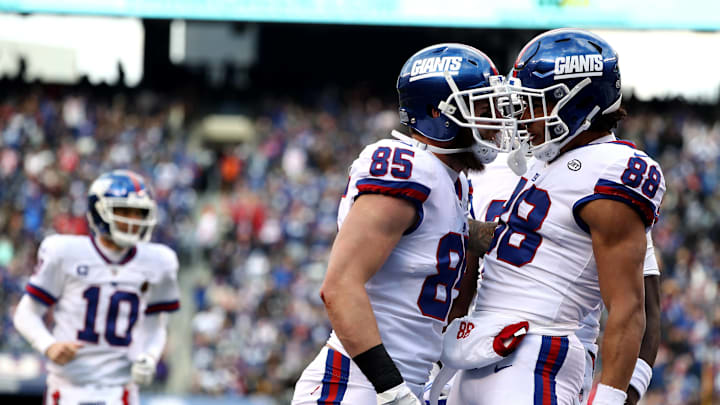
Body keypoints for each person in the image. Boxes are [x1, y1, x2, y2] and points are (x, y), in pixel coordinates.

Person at [439, 29, 666, 405]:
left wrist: (612, 398)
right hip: (482, 347)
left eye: (533, 103)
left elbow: (630, 307)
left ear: (574, 104)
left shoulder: (612, 169)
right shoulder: (543, 164)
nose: (522, 117)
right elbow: (510, 241)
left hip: (539, 350)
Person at [291, 43, 516, 404]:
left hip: (401, 379)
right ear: (435, 112)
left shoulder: (450, 180)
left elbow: (446, 235)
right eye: (482, 109)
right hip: (358, 386)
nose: (493, 124)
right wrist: (392, 390)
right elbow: (339, 286)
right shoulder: (406, 166)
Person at [464, 155, 661, 405]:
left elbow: (643, 311)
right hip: (473, 350)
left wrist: (622, 396)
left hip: (556, 357)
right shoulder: (482, 167)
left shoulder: (606, 177)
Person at [13, 170, 181, 405]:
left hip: (120, 391)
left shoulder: (160, 262)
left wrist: (150, 357)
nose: (132, 219)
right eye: (123, 211)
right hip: (67, 389)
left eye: (139, 212)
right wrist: (48, 345)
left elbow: (156, 325)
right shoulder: (65, 252)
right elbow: (26, 313)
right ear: (99, 211)